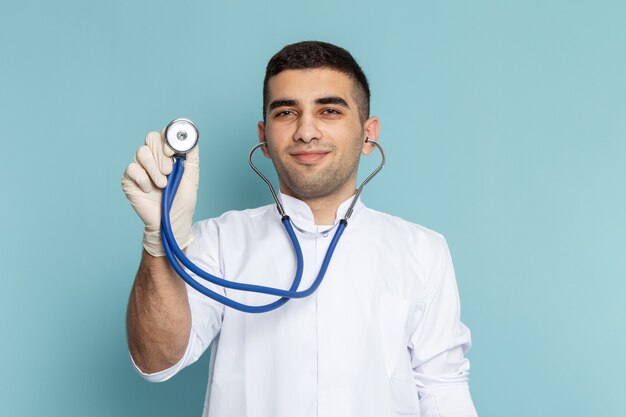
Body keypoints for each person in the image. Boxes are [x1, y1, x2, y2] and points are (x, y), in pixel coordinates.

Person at [121, 41, 478, 417]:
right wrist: (161, 240)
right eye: (287, 112)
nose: (306, 131)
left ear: (369, 134)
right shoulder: (220, 243)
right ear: (264, 137)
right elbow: (156, 362)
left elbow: (444, 390)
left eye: (329, 110)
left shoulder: (422, 251)